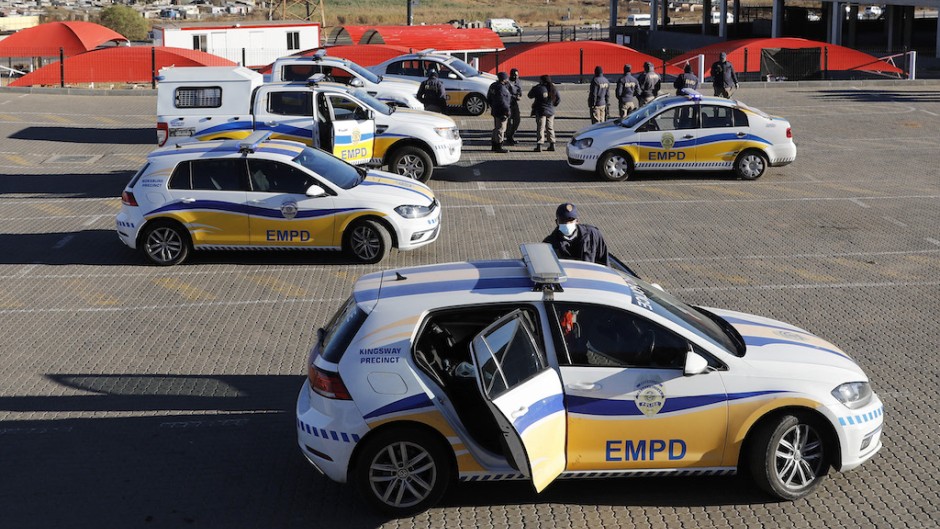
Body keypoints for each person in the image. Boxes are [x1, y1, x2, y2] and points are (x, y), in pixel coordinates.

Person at [543, 203, 609, 265]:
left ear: (577, 221)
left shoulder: (592, 235)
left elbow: (604, 262)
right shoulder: (549, 245)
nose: (567, 224)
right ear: (557, 222)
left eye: (571, 220)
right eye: (563, 221)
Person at [528, 74, 560, 152]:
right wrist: (553, 105)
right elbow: (558, 99)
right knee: (550, 127)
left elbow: (530, 95)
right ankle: (552, 143)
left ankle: (539, 145)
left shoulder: (538, 88)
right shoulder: (553, 88)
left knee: (540, 128)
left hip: (541, 110)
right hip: (551, 111)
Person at [487, 72, 512, 153]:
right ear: (504, 79)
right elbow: (503, 101)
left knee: (496, 128)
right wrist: (507, 111)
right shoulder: (502, 88)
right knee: (501, 129)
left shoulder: (493, 85)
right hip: (501, 111)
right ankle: (499, 146)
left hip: (495, 109)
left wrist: (492, 106)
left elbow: (489, 97)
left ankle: (494, 144)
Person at [505, 68, 523, 145]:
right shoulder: (507, 83)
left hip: (515, 104)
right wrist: (514, 96)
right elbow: (506, 94)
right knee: (509, 122)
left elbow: (520, 91)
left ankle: (511, 135)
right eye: (514, 75)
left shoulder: (518, 81)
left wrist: (519, 95)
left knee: (517, 120)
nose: (515, 77)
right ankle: (508, 138)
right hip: (508, 105)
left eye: (517, 75)